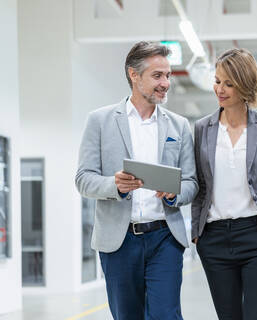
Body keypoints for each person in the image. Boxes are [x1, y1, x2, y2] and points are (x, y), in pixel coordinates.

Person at [75, 41, 198, 320]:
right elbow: (83, 179)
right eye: (157, 76)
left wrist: (174, 193)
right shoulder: (100, 121)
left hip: (164, 237)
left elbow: (191, 182)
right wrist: (114, 186)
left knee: (167, 315)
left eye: (168, 75)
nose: (165, 83)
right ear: (134, 75)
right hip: (119, 242)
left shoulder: (178, 125)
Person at [191, 48, 257, 320]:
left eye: (229, 83)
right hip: (214, 238)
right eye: (217, 81)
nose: (220, 89)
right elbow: (199, 184)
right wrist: (197, 231)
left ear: (246, 85)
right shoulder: (202, 129)